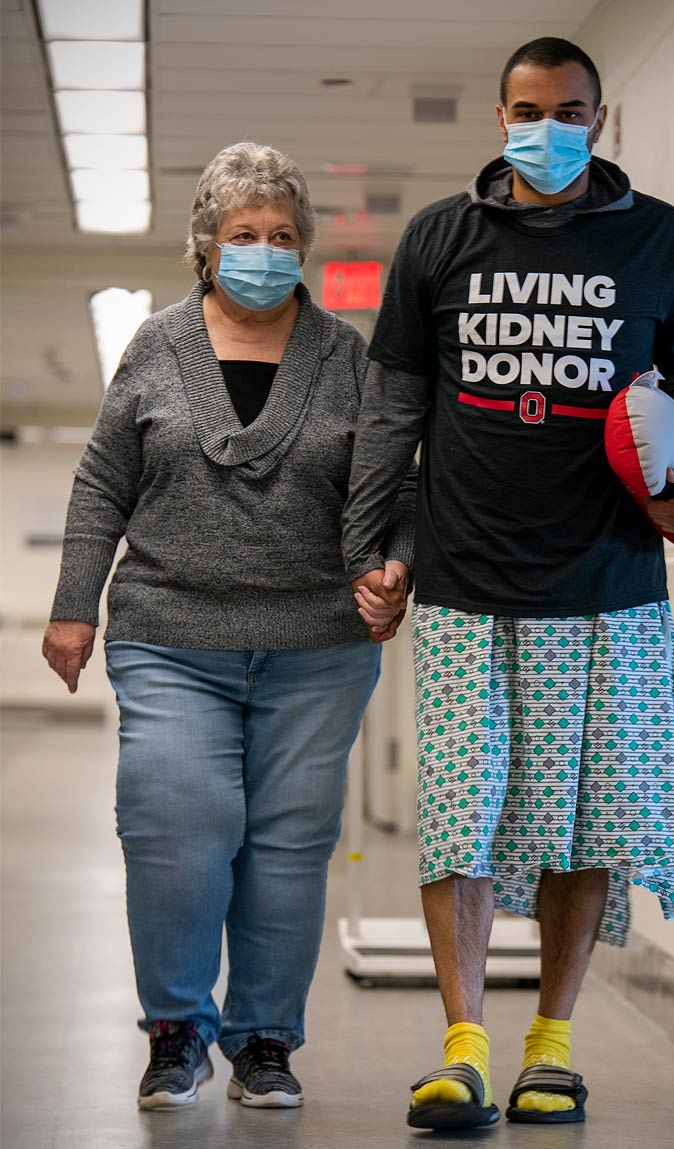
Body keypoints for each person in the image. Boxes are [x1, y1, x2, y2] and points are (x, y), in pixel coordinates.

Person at [341, 38, 674, 1131]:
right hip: (467, 581)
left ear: (599, 121)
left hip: (610, 584)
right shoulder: (439, 238)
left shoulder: (658, 238)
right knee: (460, 817)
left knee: (589, 824)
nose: (547, 129)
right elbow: (392, 412)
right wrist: (370, 551)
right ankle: (462, 1049)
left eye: (569, 111)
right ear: (498, 115)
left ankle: (550, 1047)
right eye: (527, 110)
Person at [42, 142, 411, 1112]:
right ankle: (174, 1034)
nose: (263, 249)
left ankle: (264, 1043)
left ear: (305, 248)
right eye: (243, 235)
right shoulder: (157, 348)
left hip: (318, 646)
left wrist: (394, 565)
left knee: (288, 847)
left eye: (282, 235)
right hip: (170, 634)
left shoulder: (344, 356)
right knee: (176, 828)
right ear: (206, 248)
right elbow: (100, 488)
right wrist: (75, 606)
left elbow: (391, 490)